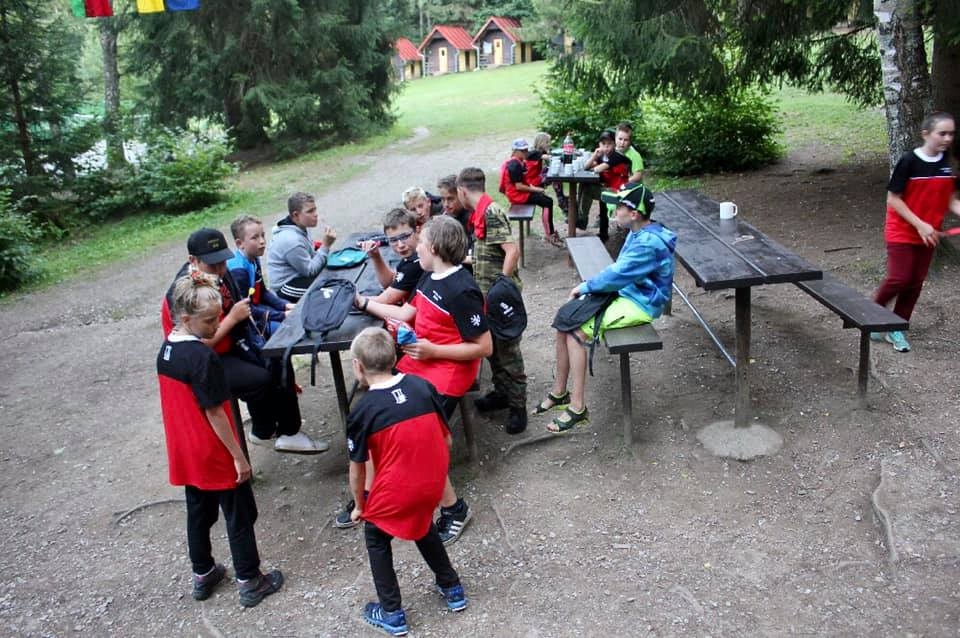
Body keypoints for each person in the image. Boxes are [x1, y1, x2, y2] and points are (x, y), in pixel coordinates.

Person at [353, 216, 490, 544]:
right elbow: (405, 314)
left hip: (447, 372)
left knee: (414, 434)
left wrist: (433, 350)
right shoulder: (429, 276)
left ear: (436, 248)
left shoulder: (461, 289)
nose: (416, 248)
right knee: (376, 412)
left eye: (421, 243)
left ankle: (454, 509)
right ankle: (370, 494)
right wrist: (362, 303)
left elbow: (484, 347)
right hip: (421, 362)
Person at [157, 273, 284, 608]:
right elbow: (214, 412)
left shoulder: (167, 350)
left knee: (198, 513)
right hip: (213, 450)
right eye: (209, 321)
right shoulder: (203, 357)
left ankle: (203, 573)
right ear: (186, 318)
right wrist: (238, 456)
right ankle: (250, 580)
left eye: (218, 317)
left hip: (186, 450)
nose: (216, 327)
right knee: (239, 513)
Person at [161, 228, 329, 454]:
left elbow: (245, 305)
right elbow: (197, 348)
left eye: (222, 262)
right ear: (193, 260)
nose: (220, 269)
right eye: (213, 265)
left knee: (277, 356)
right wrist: (232, 319)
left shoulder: (220, 273)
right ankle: (265, 430)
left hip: (231, 344)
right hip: (205, 360)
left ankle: (288, 431)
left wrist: (272, 316)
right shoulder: (184, 294)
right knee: (260, 378)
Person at [345, 327, 467, 636]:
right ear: (395, 358)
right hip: (432, 484)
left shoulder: (362, 411)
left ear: (358, 366)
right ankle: (452, 588)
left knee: (376, 536)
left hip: (398, 490)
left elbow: (357, 469)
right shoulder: (421, 386)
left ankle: (392, 613)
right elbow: (446, 439)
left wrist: (359, 505)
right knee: (422, 522)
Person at [539, 183, 675, 433]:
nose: (614, 210)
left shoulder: (648, 243)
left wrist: (586, 286)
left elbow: (618, 273)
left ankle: (577, 407)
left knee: (576, 333)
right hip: (626, 291)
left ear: (634, 213)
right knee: (564, 322)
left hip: (642, 303)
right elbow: (619, 271)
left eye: (619, 206)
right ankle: (559, 392)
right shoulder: (637, 231)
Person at [871, 111, 960, 353]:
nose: (947, 138)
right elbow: (893, 199)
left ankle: (896, 327)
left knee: (915, 283)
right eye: (942, 133)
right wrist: (920, 224)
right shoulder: (909, 161)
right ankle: (871, 314)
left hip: (929, 235)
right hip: (902, 231)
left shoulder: (948, 165)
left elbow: (951, 201)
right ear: (926, 134)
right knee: (899, 278)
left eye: (951, 134)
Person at [458, 166, 529, 434]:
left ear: (462, 191)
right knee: (494, 351)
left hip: (498, 298)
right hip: (485, 297)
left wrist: (501, 285)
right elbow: (488, 252)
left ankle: (518, 406)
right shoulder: (480, 212)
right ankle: (502, 394)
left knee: (508, 353)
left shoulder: (490, 212)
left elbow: (512, 251)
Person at [227, 215, 294, 340]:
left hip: (256, 307)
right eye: (255, 237)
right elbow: (247, 309)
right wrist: (282, 315)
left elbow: (262, 292)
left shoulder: (254, 258)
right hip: (245, 319)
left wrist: (284, 306)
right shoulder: (238, 270)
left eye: (263, 235)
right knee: (285, 330)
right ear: (240, 243)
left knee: (290, 308)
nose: (262, 241)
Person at [266, 192, 337, 302]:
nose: (316, 214)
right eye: (310, 211)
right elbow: (310, 271)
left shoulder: (302, 227)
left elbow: (312, 257)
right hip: (286, 286)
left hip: (300, 276)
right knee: (331, 290)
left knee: (335, 276)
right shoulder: (291, 240)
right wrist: (326, 246)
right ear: (295, 215)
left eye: (315, 209)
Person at [500, 138, 561, 246]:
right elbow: (519, 186)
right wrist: (536, 189)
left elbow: (524, 182)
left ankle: (550, 233)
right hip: (517, 196)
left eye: (526, 150)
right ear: (515, 151)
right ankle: (550, 234)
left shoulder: (518, 162)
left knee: (546, 200)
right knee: (548, 202)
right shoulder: (514, 165)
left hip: (519, 194)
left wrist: (536, 189)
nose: (525, 152)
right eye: (522, 150)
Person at [356, 208, 423, 306]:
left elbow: (384, 301)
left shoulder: (417, 262)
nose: (400, 245)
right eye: (393, 240)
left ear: (417, 231)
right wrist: (376, 256)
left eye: (405, 236)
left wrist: (350, 297)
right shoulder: (412, 255)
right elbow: (390, 282)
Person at [577, 129, 632, 242]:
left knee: (588, 189)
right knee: (584, 185)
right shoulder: (603, 156)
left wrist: (593, 168)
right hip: (609, 188)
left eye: (609, 144)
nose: (606, 147)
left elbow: (597, 169)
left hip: (620, 191)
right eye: (603, 144)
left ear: (614, 144)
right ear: (599, 145)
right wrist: (594, 156)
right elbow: (586, 167)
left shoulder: (616, 156)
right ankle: (596, 229)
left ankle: (582, 219)